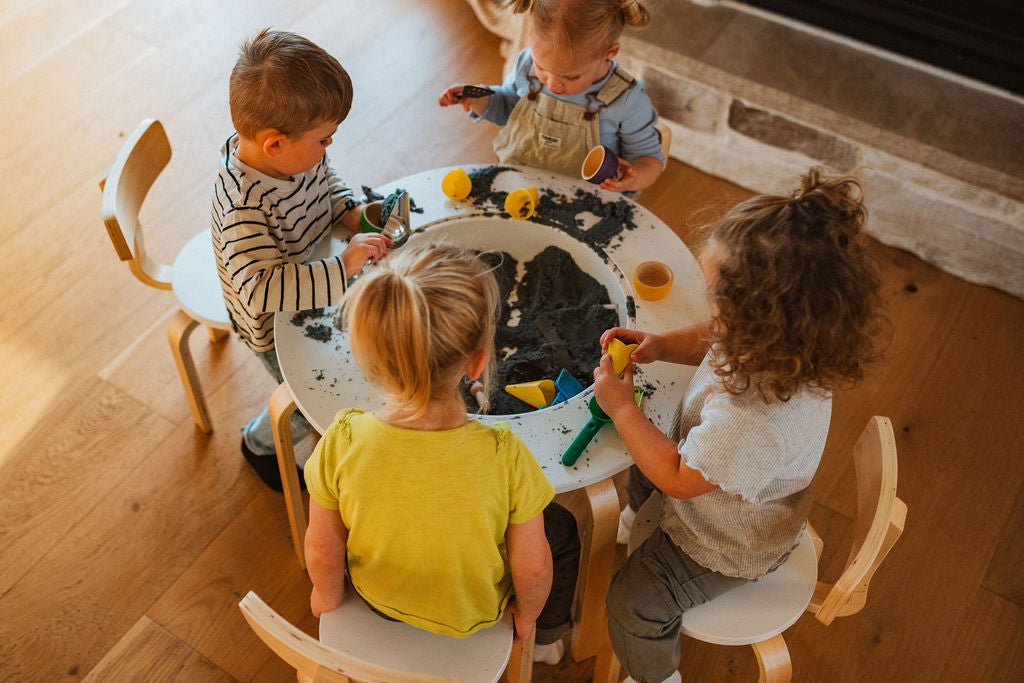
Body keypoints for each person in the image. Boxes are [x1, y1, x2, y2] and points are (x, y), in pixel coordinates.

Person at [592, 168, 887, 683]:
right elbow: (711, 338)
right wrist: (658, 346)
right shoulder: (790, 346)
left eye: (716, 302)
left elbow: (680, 478)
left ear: (760, 323)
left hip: (726, 543)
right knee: (652, 447)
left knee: (632, 606)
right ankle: (635, 518)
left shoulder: (750, 418)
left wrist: (622, 409)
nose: (710, 312)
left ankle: (657, 678)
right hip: (716, 484)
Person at [303, 242, 580, 664]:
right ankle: (547, 642)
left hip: (377, 599)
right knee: (559, 529)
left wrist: (325, 596)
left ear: (371, 358)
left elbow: (324, 548)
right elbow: (535, 568)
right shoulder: (506, 455)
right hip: (473, 615)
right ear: (477, 363)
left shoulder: (341, 439)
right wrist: (526, 617)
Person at [211, 29, 391, 491]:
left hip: (313, 280)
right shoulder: (243, 205)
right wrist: (344, 266)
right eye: (324, 140)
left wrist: (348, 209)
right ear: (274, 144)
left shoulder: (296, 157)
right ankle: (259, 443)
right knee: (305, 401)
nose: (327, 150)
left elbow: (325, 180)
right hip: (273, 326)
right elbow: (264, 287)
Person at [438, 0, 664, 193]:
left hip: (587, 200)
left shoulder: (624, 99)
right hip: (522, 183)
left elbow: (649, 158)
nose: (553, 82)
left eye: (570, 77)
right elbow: (507, 105)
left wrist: (635, 178)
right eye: (542, 67)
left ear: (610, 53)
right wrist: (477, 97)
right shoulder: (526, 65)